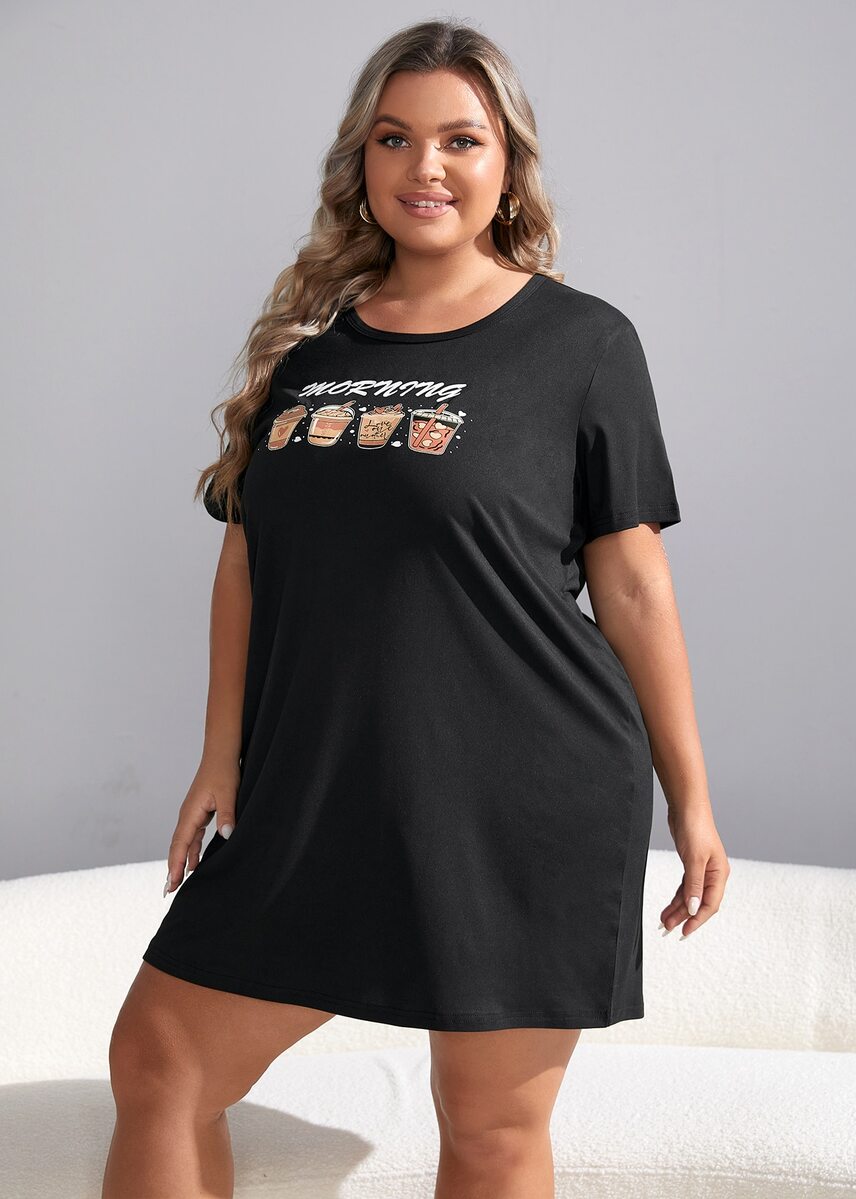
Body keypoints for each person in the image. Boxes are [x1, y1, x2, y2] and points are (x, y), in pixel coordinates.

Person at [103, 18, 729, 1199]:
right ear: (362, 161)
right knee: (161, 1060)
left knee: (487, 1130)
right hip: (321, 779)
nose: (425, 165)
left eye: (460, 139)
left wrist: (691, 797)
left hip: (520, 786)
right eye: (395, 138)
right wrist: (219, 755)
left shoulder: (584, 344)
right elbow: (246, 556)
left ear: (509, 165)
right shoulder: (306, 358)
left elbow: (634, 583)